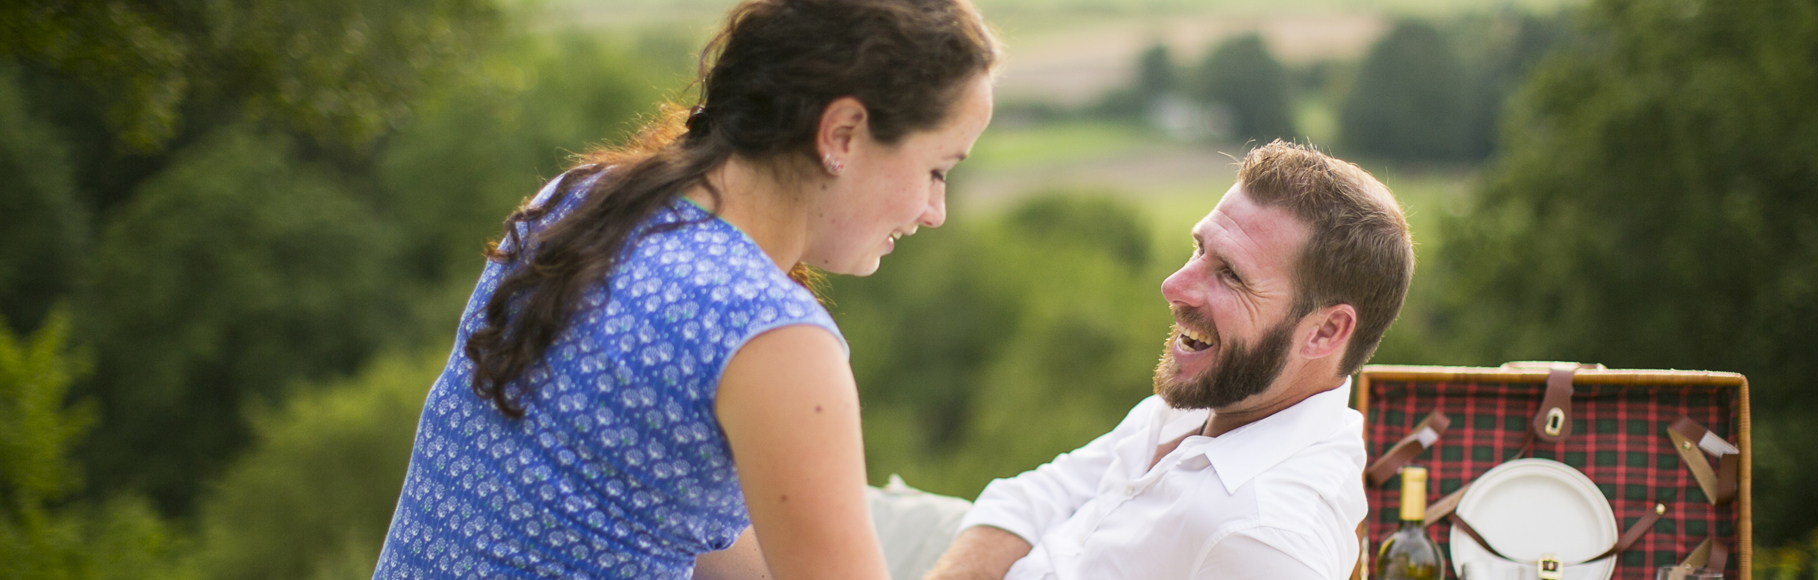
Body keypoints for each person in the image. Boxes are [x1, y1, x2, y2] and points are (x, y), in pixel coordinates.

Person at [371, 0, 999, 578]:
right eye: (936, 170)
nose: (934, 210)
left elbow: (662, 522)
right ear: (842, 134)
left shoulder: (579, 201)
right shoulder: (772, 336)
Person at [922, 141, 1414, 580]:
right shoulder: (1225, 392)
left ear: (1325, 332)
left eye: (1232, 275)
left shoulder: (1267, 536)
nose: (1174, 286)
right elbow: (1037, 497)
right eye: (1199, 248)